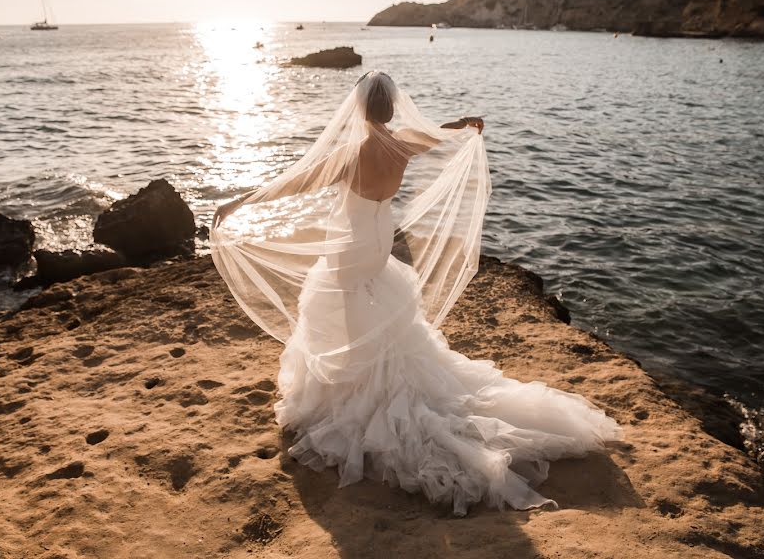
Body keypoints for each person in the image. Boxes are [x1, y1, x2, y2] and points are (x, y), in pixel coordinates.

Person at [210, 71, 621, 516]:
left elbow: (295, 183)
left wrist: (237, 203)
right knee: (382, 317)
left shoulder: (351, 154)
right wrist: (461, 123)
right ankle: (373, 380)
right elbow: (432, 136)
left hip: (351, 250)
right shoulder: (402, 142)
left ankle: (358, 392)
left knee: (343, 314)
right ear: (392, 107)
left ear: (360, 108)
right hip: (379, 242)